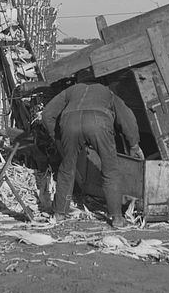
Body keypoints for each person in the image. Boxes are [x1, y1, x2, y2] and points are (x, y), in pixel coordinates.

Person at [39, 81, 143, 229]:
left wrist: (57, 137)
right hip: (99, 123)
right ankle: (117, 219)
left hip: (70, 124)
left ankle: (59, 214)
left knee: (67, 169)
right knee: (110, 171)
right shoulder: (107, 92)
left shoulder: (70, 90)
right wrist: (134, 145)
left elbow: (47, 114)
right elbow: (127, 119)